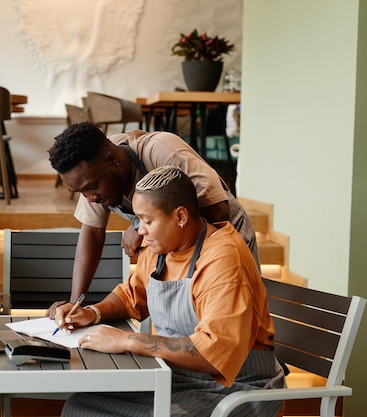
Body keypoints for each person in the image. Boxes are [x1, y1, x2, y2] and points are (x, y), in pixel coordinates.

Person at [55, 166, 285, 417]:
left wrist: (128, 340)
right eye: (138, 220)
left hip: (237, 390)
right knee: (79, 406)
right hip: (176, 377)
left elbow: (214, 354)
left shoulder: (223, 259)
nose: (139, 230)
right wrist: (92, 313)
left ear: (181, 217)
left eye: (147, 220)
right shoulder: (160, 249)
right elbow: (132, 295)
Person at [47, 121, 259, 316]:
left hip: (226, 239)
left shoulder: (162, 151)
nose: (90, 198)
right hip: (177, 246)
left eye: (92, 188)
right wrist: (76, 304)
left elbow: (217, 211)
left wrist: (141, 222)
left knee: (233, 318)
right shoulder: (92, 176)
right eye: (81, 192)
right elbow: (92, 232)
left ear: (112, 160)